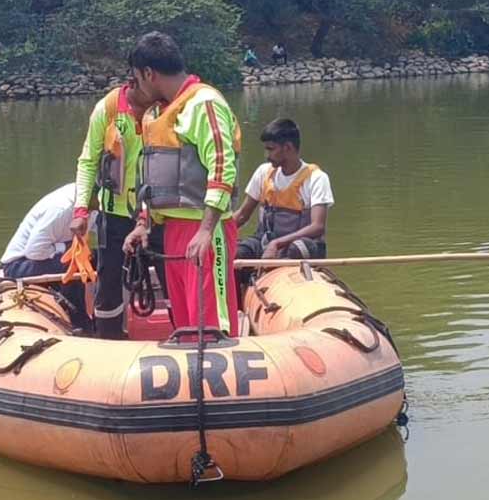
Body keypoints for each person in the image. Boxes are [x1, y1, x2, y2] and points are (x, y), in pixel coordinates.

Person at [123, 32, 243, 336]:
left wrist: (205, 230)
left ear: (148, 73)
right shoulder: (157, 113)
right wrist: (143, 223)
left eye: (136, 78)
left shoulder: (204, 103)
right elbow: (151, 178)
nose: (135, 86)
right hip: (173, 231)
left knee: (210, 322)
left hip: (205, 229)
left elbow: (222, 166)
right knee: (187, 322)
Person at [71, 79, 158, 338]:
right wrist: (81, 210)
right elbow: (88, 161)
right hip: (114, 215)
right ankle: (108, 338)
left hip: (159, 214)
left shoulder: (165, 108)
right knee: (108, 284)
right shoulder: (107, 110)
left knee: (170, 274)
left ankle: (185, 336)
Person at [233, 118, 333, 260]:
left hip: (299, 246)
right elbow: (243, 215)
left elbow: (318, 226)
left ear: (287, 148)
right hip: (266, 242)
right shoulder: (263, 172)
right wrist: (214, 232)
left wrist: (277, 244)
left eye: (271, 149)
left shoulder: (316, 178)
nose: (267, 156)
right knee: (238, 252)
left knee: (296, 249)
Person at [0, 183, 92, 330]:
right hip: (20, 265)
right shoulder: (61, 209)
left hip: (46, 258)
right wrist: (66, 247)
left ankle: (101, 315)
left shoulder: (92, 207)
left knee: (95, 258)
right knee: (73, 263)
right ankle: (80, 323)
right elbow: (34, 252)